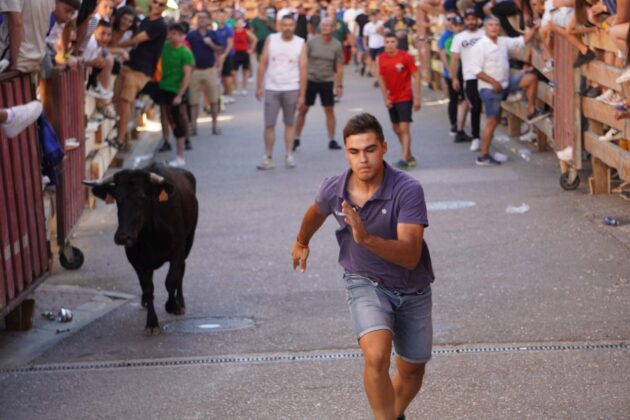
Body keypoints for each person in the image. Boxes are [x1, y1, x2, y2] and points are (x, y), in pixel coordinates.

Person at [291, 112, 434, 420]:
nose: (363, 159)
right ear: (346, 152)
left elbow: (410, 255)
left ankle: (393, 413)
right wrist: (302, 241)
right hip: (365, 281)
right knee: (377, 355)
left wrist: (366, 238)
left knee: (412, 369)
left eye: (370, 149)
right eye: (354, 152)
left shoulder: (407, 189)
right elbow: (315, 213)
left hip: (413, 287)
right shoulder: (335, 189)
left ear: (383, 147)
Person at [469, 16, 548, 166]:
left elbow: (522, 41)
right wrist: (493, 82)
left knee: (531, 79)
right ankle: (483, 155)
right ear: (485, 28)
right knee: (492, 121)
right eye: (491, 25)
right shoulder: (479, 46)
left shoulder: (503, 41)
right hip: (490, 89)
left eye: (496, 25)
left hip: (505, 83)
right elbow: (475, 70)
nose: (494, 27)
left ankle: (531, 110)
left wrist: (535, 28)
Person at [111, 0, 167, 150]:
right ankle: (121, 136)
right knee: (119, 100)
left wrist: (113, 46)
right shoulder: (146, 21)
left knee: (125, 101)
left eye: (161, 4)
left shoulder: (160, 25)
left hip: (141, 70)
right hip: (129, 66)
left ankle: (120, 139)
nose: (156, 6)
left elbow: (136, 39)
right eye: (155, 2)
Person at [255, 14, 306, 170]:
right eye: (284, 25)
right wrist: (259, 86)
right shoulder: (272, 39)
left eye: (290, 25)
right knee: (269, 124)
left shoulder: (300, 43)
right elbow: (263, 62)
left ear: (294, 26)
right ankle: (268, 156)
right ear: (280, 26)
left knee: (289, 124)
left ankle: (289, 155)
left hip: (291, 87)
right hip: (272, 87)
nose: (287, 28)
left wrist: (302, 94)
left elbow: (304, 69)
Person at [293, 17, 344, 152]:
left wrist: (339, 85)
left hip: (327, 81)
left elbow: (339, 66)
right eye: (323, 25)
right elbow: (302, 62)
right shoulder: (311, 42)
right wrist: (299, 82)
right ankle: (295, 138)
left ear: (333, 28)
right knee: (303, 109)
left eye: (328, 25)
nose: (325, 27)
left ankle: (332, 139)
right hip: (310, 80)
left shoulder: (336, 45)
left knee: (329, 110)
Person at [376, 33, 421, 170]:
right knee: (396, 129)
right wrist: (385, 98)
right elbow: (381, 79)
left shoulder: (405, 56)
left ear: (397, 43)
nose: (389, 44)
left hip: (405, 97)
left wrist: (417, 97)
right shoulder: (381, 58)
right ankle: (409, 155)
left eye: (392, 41)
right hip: (392, 98)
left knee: (404, 128)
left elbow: (416, 75)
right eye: (387, 41)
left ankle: (403, 159)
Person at [0, 0, 80, 73]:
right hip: (33, 62)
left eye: (72, 13)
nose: (69, 16)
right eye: (68, 11)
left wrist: (14, 63)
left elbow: (16, 23)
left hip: (12, 61)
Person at [158, 22, 194, 167]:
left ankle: (181, 156)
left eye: (175, 34)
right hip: (164, 88)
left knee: (178, 121)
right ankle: (169, 143)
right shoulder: (165, 47)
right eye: (170, 33)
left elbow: (187, 76)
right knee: (167, 118)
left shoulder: (185, 52)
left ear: (181, 36)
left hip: (176, 91)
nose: (172, 36)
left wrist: (179, 95)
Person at [449, 8, 483, 152]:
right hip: (470, 77)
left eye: (473, 18)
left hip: (488, 75)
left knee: (488, 107)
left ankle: (486, 136)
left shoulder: (484, 34)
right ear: (465, 21)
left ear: (477, 20)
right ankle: (476, 137)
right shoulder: (459, 38)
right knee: (474, 107)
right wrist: (454, 77)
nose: (471, 21)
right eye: (468, 19)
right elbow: (454, 60)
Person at [186, 10, 222, 136]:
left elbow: (220, 49)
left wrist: (211, 44)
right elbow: (185, 48)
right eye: (199, 18)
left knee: (213, 99)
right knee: (193, 101)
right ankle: (193, 126)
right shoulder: (191, 35)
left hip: (209, 70)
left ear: (208, 20)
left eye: (203, 18)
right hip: (195, 71)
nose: (201, 20)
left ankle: (215, 125)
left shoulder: (212, 34)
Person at [215, 9, 236, 104]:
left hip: (228, 55)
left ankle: (230, 95)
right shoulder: (216, 29)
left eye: (222, 16)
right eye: (219, 16)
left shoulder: (228, 28)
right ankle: (226, 93)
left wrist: (224, 55)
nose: (221, 18)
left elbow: (230, 43)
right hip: (219, 55)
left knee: (227, 76)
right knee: (222, 76)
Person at [232, 17, 256, 96]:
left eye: (240, 23)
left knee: (245, 72)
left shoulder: (246, 32)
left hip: (244, 53)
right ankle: (235, 88)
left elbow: (254, 39)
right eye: (238, 23)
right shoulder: (233, 32)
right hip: (235, 53)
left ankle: (244, 88)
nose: (239, 25)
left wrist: (251, 50)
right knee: (233, 72)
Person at [363, 10, 385, 82]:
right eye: (372, 17)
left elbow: (386, 34)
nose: (373, 18)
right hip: (372, 46)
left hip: (381, 45)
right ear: (369, 18)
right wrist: (365, 45)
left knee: (378, 62)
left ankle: (380, 78)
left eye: (375, 16)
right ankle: (377, 78)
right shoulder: (367, 26)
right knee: (374, 63)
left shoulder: (381, 24)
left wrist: (380, 32)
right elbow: (365, 37)